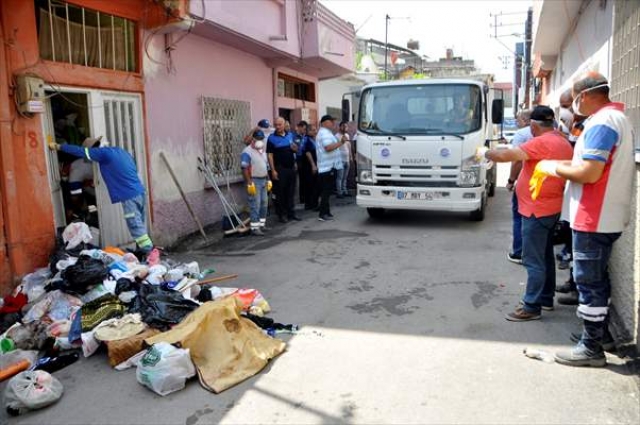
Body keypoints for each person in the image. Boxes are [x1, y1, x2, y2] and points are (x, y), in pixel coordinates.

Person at [531, 73, 634, 367]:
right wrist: (560, 165)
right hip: (603, 214)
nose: (572, 107)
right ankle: (599, 336)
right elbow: (586, 164)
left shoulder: (602, 123)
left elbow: (589, 173)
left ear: (586, 95)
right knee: (597, 279)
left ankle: (591, 348)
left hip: (594, 215)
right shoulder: (614, 120)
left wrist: (552, 169)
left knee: (589, 283)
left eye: (573, 100)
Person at [485, 106, 574, 321]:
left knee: (532, 260)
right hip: (551, 208)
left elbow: (507, 155)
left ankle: (531, 306)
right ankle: (545, 298)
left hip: (536, 210)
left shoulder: (541, 142)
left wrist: (485, 152)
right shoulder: (562, 140)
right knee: (544, 256)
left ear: (533, 126)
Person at [48, 136, 154, 254]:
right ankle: (141, 252)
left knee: (135, 226)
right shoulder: (120, 151)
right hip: (140, 192)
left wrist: (59, 147)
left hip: (128, 196)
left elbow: (80, 151)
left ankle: (150, 254)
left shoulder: (102, 153)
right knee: (139, 224)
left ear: (94, 149)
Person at [506, 109, 533, 264]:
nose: (516, 123)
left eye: (518, 120)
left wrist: (511, 181)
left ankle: (518, 252)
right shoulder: (552, 133)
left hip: (524, 182)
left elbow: (516, 160)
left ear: (524, 119)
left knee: (519, 217)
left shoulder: (522, 134)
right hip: (545, 182)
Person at [267, 117, 301, 223]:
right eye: (276, 125)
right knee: (280, 193)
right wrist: (273, 170)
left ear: (284, 124)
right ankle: (282, 214)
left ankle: (291, 213)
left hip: (291, 168)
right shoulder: (271, 138)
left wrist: (295, 153)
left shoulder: (290, 135)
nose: (277, 127)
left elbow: (295, 150)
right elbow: (270, 155)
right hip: (280, 169)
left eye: (279, 124)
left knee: (290, 192)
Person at [241, 130, 272, 236]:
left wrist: (268, 179)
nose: (260, 141)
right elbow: (244, 168)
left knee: (264, 203)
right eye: (258, 139)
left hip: (263, 179)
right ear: (253, 139)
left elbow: (266, 166)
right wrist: (249, 182)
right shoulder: (247, 151)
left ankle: (262, 225)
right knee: (255, 204)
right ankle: (255, 228)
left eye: (261, 139)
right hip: (254, 180)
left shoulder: (262, 151)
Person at [316, 115, 345, 221]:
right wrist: (341, 143)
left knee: (327, 192)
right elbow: (328, 148)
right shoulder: (324, 133)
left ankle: (326, 212)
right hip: (326, 168)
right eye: (331, 121)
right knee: (325, 192)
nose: (333, 123)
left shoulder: (326, 132)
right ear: (324, 122)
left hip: (329, 167)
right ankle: (322, 214)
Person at [303, 125, 320, 210]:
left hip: (315, 165)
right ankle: (310, 204)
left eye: (315, 130)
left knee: (315, 185)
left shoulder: (314, 139)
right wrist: (313, 165)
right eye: (313, 130)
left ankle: (314, 203)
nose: (315, 131)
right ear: (308, 131)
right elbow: (307, 153)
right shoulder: (307, 139)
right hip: (309, 166)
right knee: (310, 185)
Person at [335, 121, 352, 198]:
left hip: (347, 159)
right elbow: (335, 148)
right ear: (340, 127)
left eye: (346, 126)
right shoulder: (336, 136)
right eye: (344, 126)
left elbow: (349, 146)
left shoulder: (347, 136)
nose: (345, 128)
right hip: (340, 160)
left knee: (345, 177)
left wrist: (351, 156)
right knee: (340, 177)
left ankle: (344, 190)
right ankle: (339, 192)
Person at [294, 121, 309, 205]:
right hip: (298, 158)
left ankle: (305, 197)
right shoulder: (294, 136)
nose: (304, 131)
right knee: (299, 179)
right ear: (299, 127)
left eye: (305, 129)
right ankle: (300, 198)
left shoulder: (306, 137)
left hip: (305, 158)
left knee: (305, 178)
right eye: (303, 129)